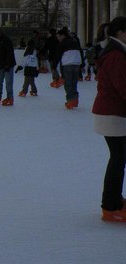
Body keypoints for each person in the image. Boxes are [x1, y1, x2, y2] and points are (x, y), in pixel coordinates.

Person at [91, 16, 126, 222]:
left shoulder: (117, 52)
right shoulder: (116, 55)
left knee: (119, 158)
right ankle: (110, 206)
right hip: (112, 113)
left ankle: (113, 201)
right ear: (122, 33)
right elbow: (122, 85)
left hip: (112, 112)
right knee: (118, 159)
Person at [53, 27, 83, 109]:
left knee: (68, 84)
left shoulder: (62, 43)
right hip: (77, 64)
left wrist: (54, 66)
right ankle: (75, 100)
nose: (58, 38)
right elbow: (80, 52)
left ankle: (70, 101)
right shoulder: (75, 41)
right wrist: (82, 64)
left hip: (67, 64)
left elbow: (58, 55)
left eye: (58, 36)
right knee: (74, 83)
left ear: (63, 35)